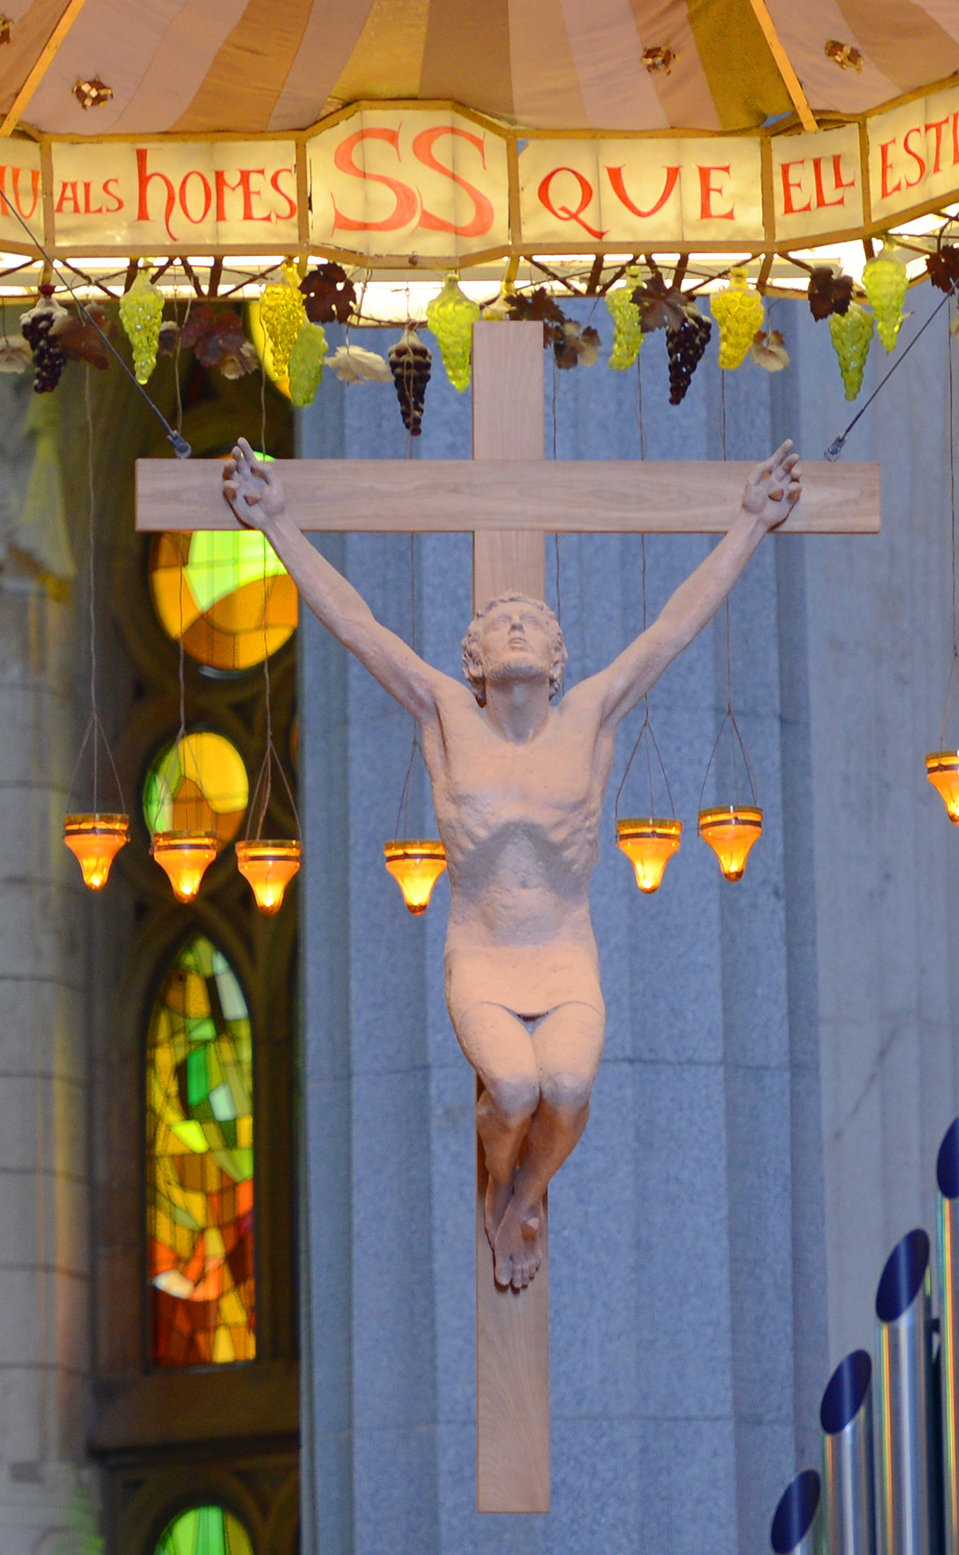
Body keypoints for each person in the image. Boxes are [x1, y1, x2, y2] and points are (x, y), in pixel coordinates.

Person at [214, 437, 806, 1294]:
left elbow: (672, 630)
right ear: (475, 658)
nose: (518, 625)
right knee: (517, 1087)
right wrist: (276, 524)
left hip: (564, 954)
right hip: (485, 955)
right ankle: (503, 1180)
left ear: (558, 661)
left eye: (534, 623)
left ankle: (521, 1193)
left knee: (565, 1084)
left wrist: (750, 523)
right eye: (500, 623)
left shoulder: (590, 715)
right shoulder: (445, 713)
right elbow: (357, 625)